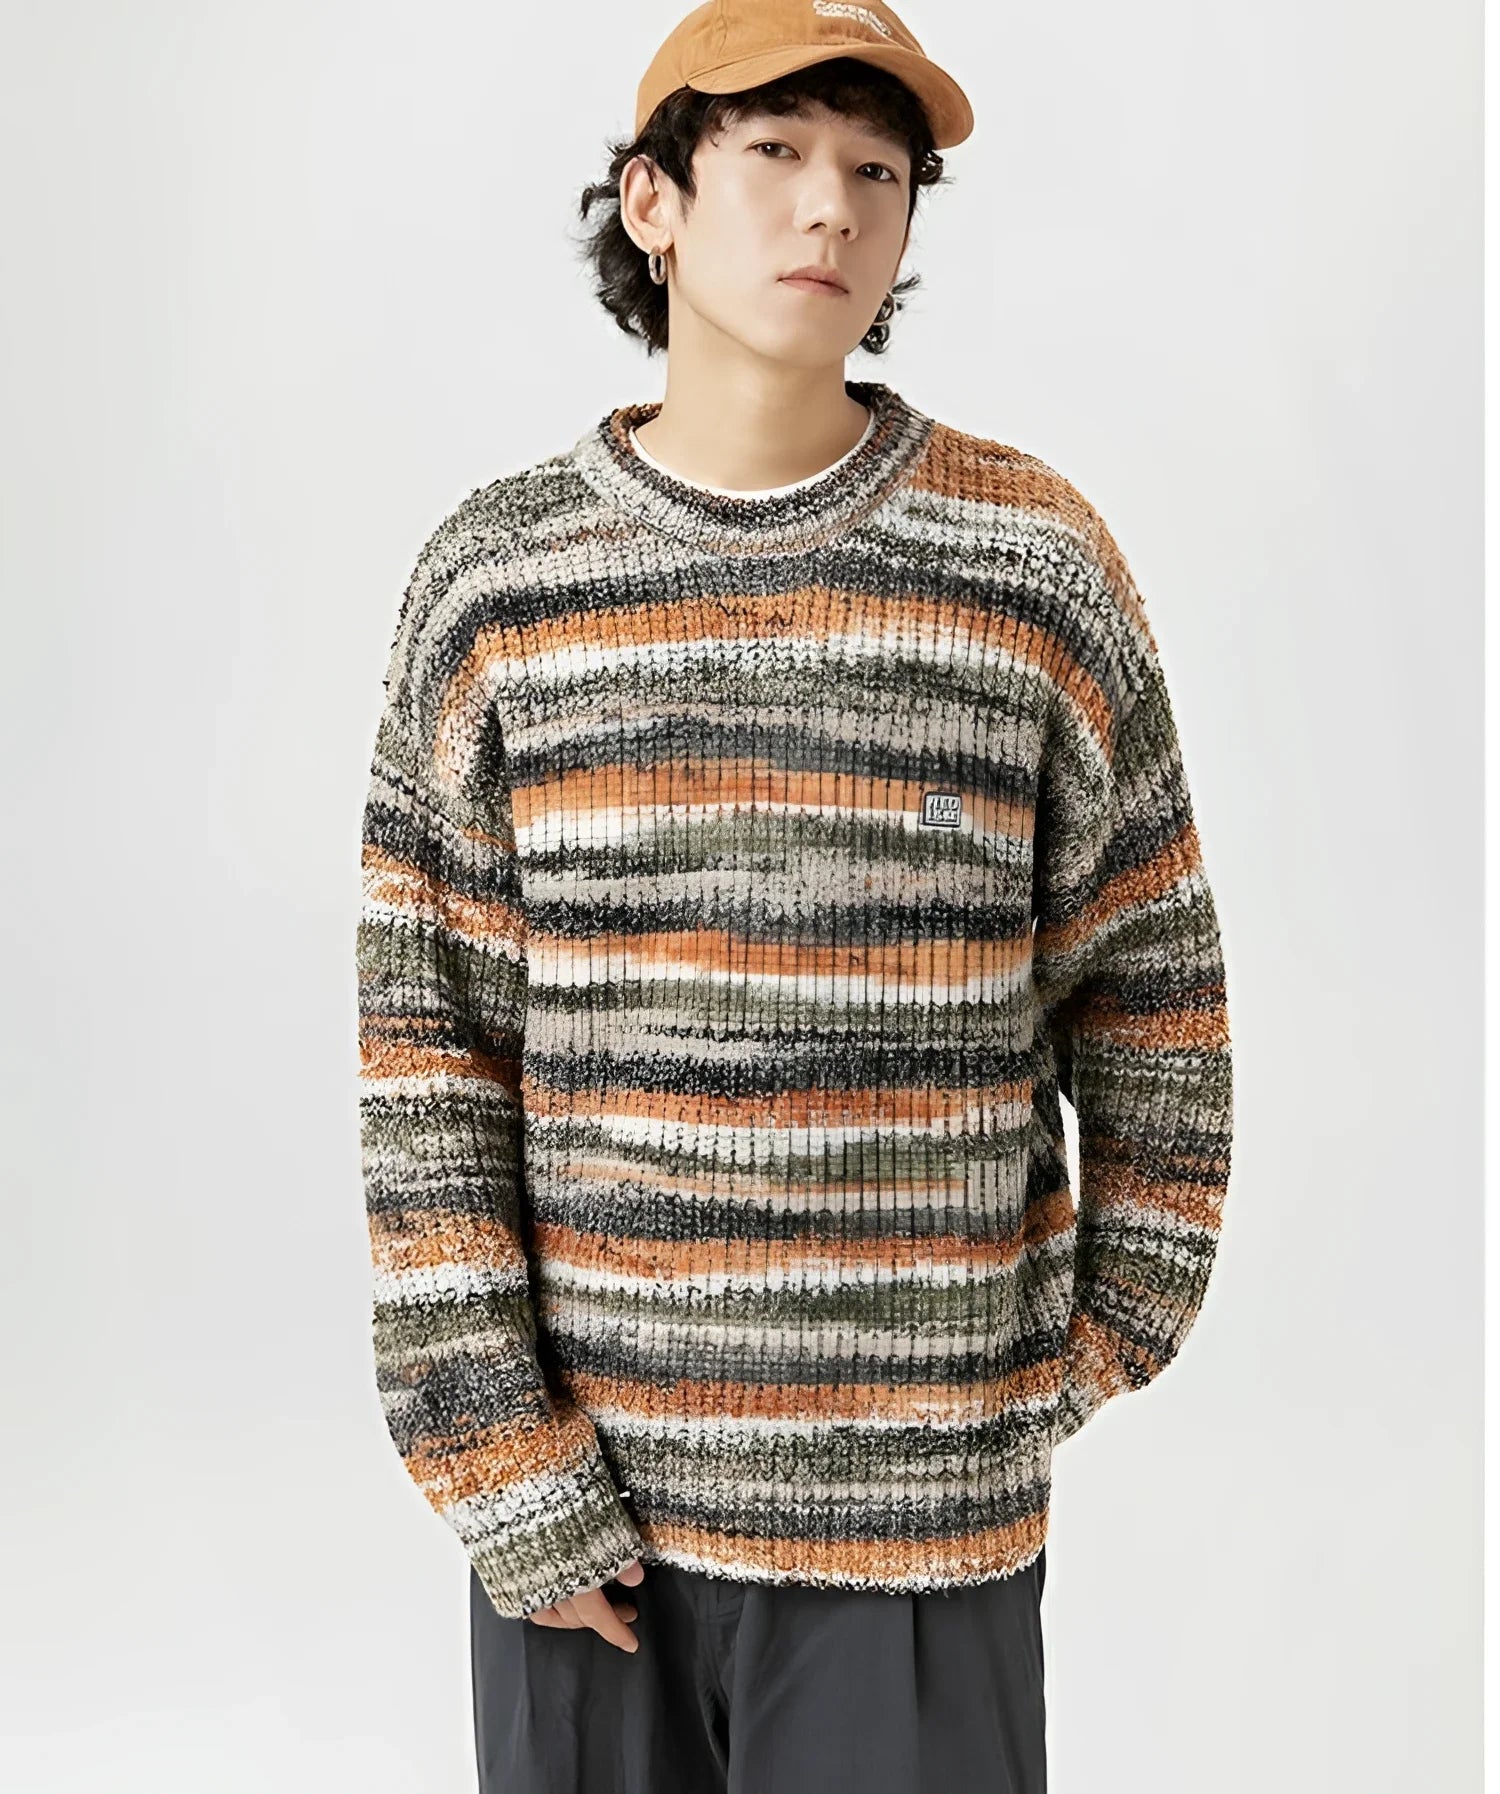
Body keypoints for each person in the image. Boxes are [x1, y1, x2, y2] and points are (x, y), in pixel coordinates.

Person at [354, 2, 1235, 1789]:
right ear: (654, 201)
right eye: (774, 153)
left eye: (877, 172)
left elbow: (1153, 989)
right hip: (586, 1529)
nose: (833, 206)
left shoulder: (1030, 567)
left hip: (924, 1529)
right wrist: (497, 1458)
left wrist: (1083, 1347)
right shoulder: (500, 583)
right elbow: (429, 1053)